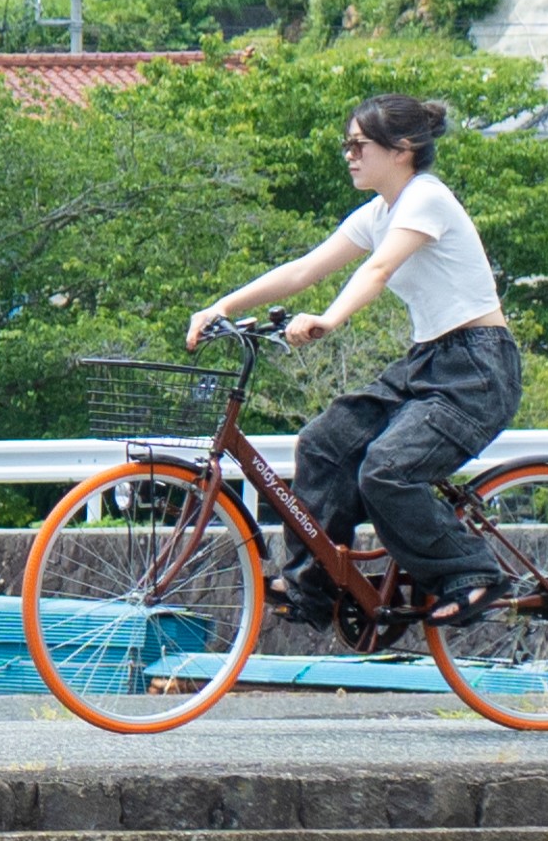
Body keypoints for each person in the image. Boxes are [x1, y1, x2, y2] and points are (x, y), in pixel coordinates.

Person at [191, 91, 522, 622]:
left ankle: (473, 572)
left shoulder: (426, 198)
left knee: (386, 470)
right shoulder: (379, 213)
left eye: (359, 145)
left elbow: (378, 270)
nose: (349, 155)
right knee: (324, 444)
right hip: (427, 362)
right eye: (347, 145)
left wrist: (330, 318)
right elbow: (304, 269)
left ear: (402, 149)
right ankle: (316, 585)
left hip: (477, 370)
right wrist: (221, 306)